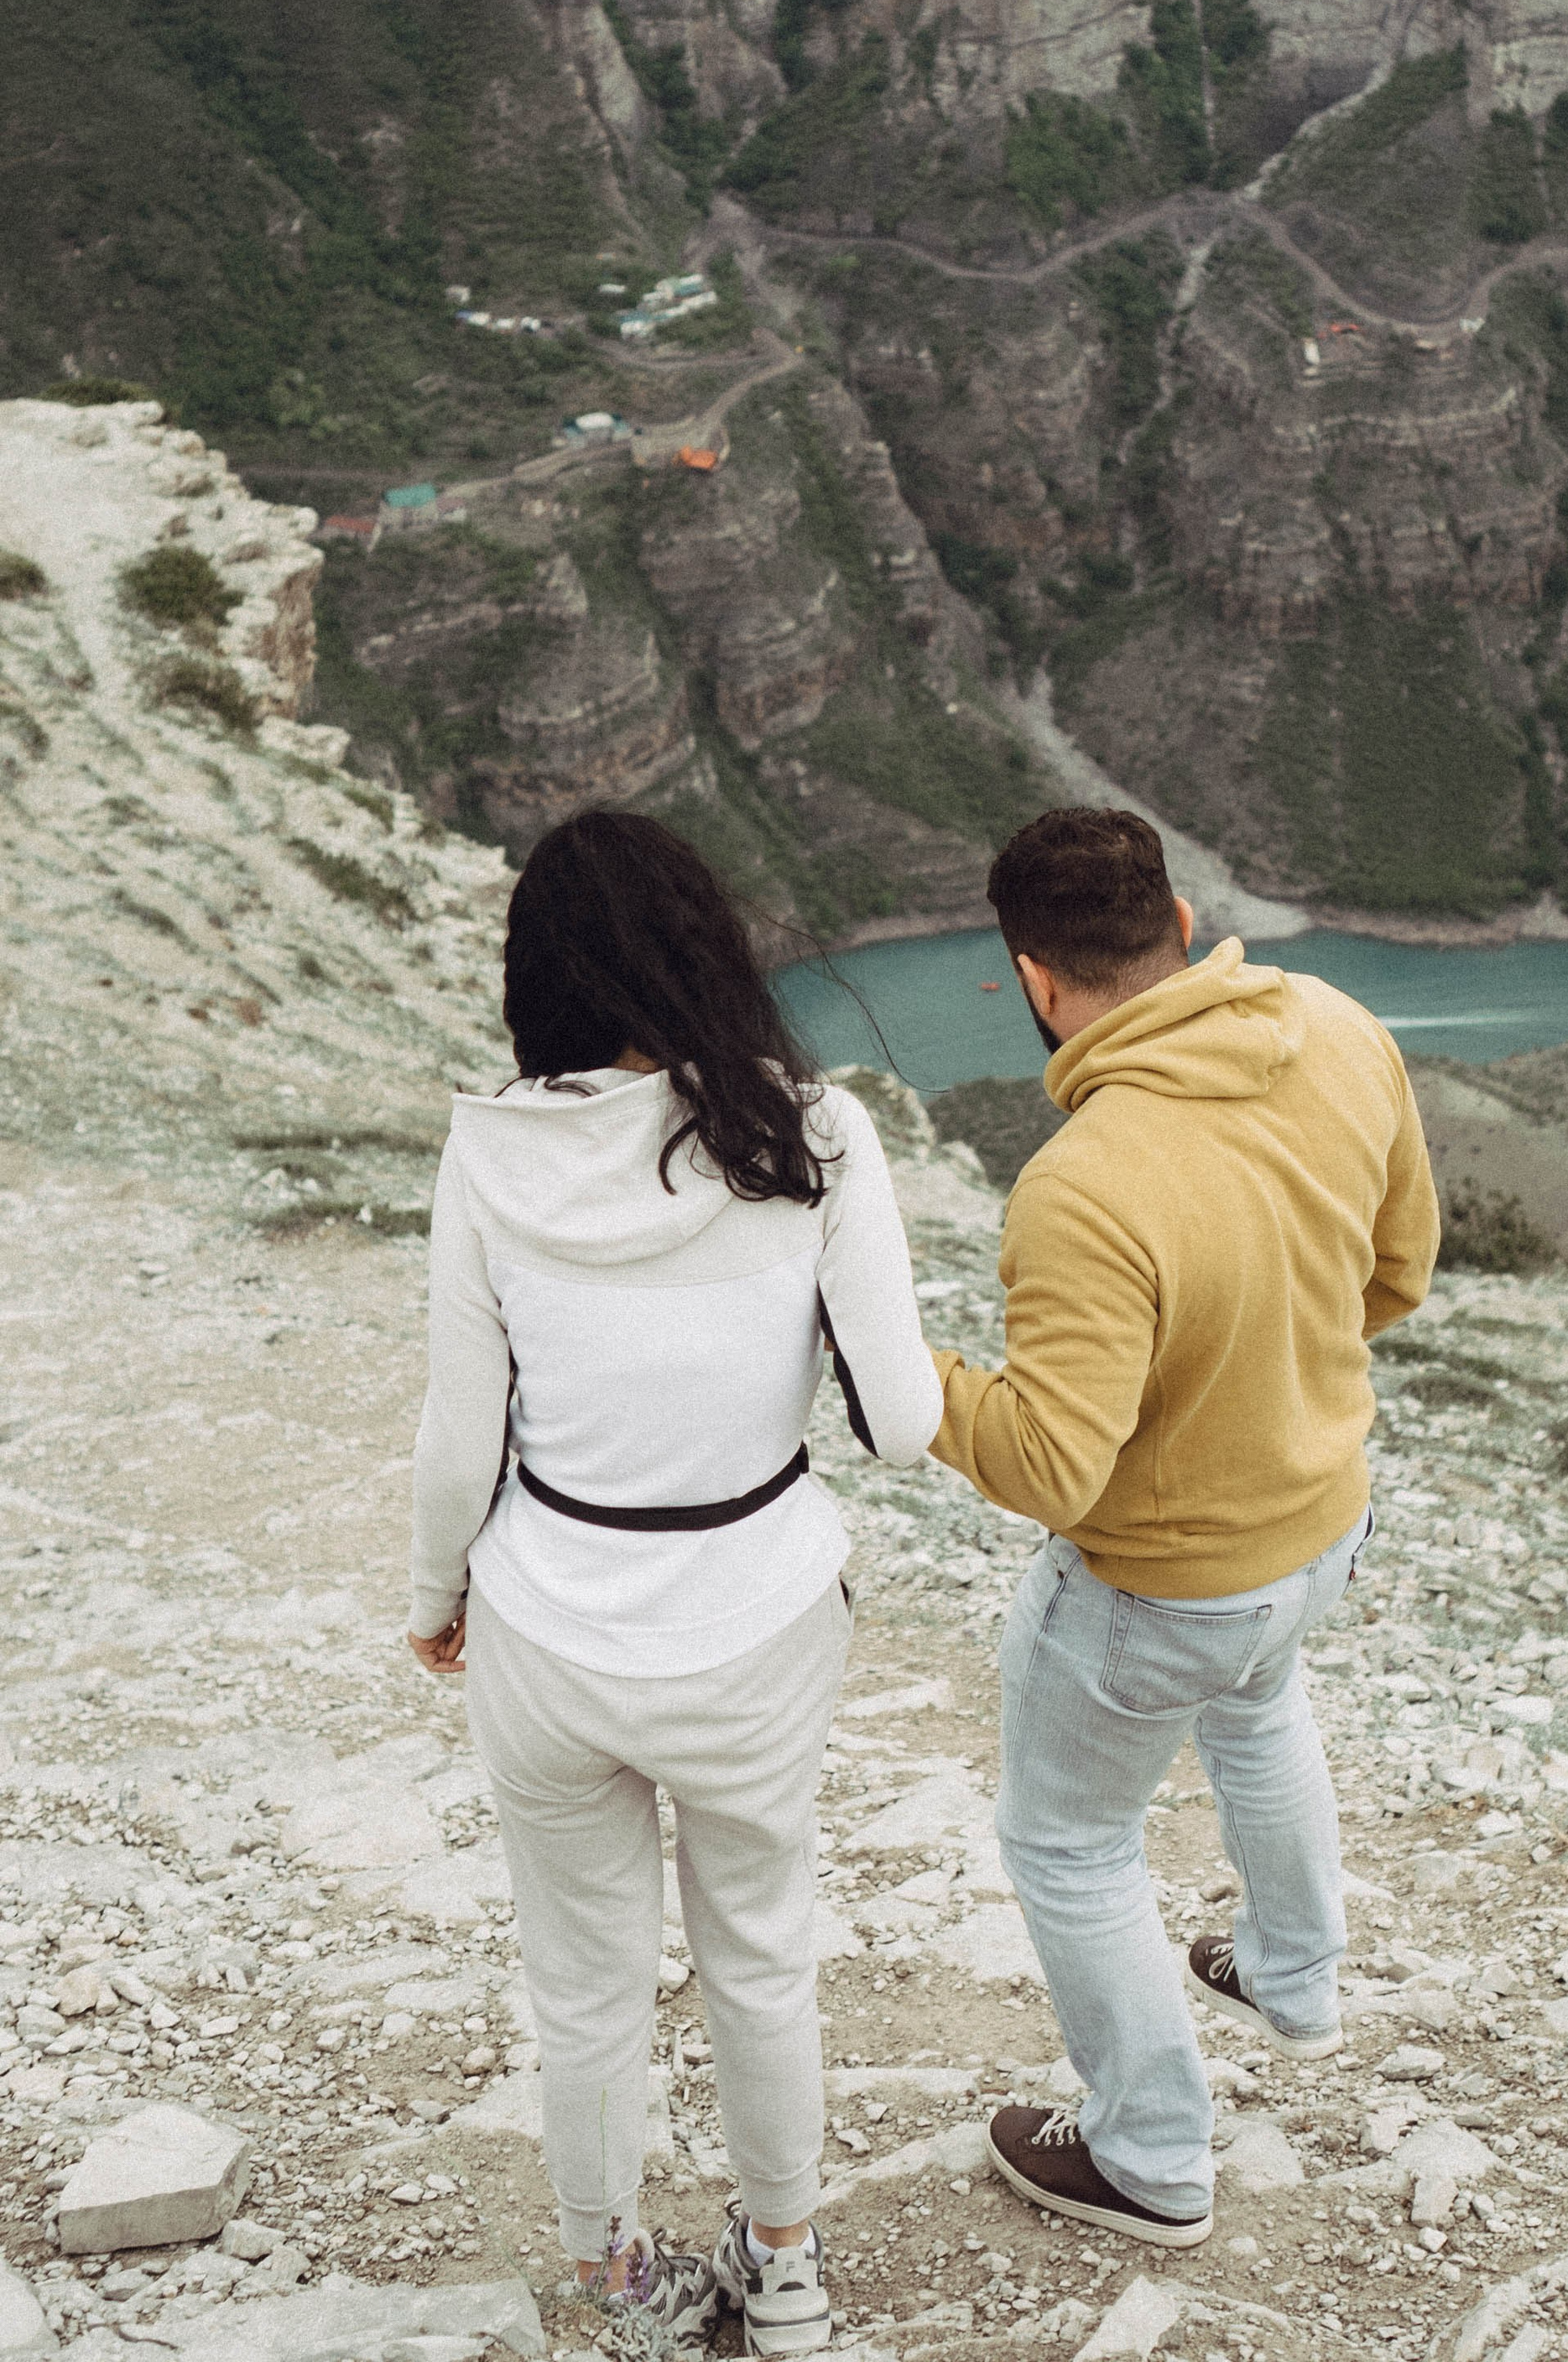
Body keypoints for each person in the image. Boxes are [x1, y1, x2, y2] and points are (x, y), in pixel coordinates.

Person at [405, 809, 941, 2352]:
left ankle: (617, 2278)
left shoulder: (489, 1150)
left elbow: (459, 1437)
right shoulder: (813, 1136)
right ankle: (785, 2268)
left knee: (584, 1983)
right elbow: (904, 1424)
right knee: (761, 1958)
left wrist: (436, 1598)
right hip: (758, 1617)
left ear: (539, 977)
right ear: (707, 947)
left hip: (549, 1621)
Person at [929, 809, 1438, 2246]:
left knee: (1069, 1846)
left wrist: (910, 1378)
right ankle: (1294, 1976)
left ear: (1036, 980)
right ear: (1185, 924)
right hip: (1319, 1530)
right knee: (1261, 1707)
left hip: (1163, 1594)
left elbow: (1049, 1467)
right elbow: (1397, 1273)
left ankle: (1151, 2155)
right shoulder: (1340, 1028)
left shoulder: (1084, 1183)